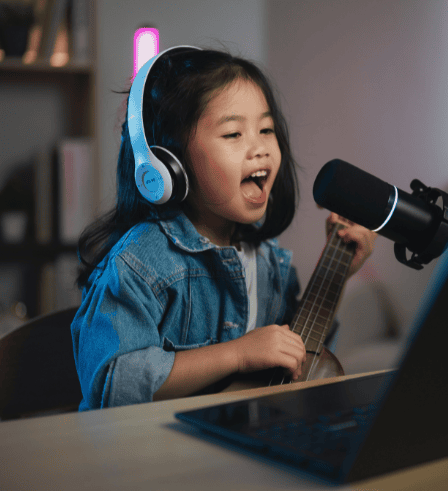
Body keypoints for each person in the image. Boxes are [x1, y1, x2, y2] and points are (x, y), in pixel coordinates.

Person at [71, 47, 377, 411]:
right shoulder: (141, 264)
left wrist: (337, 274)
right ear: (168, 163)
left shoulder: (267, 260)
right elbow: (111, 384)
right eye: (233, 134)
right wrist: (236, 355)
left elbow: (300, 360)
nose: (260, 147)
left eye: (266, 129)